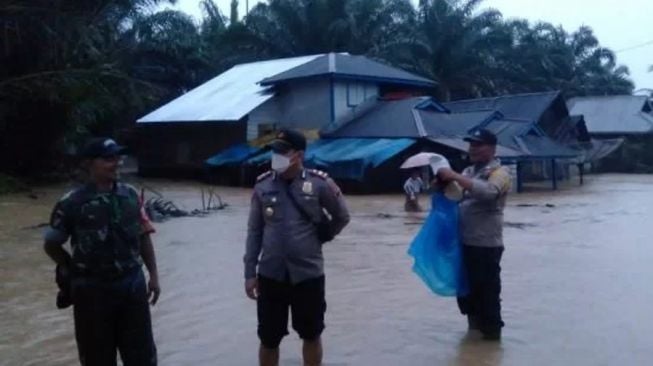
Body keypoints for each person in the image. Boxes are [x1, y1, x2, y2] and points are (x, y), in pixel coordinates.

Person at [43, 137, 160, 365]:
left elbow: (143, 236)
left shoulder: (131, 195)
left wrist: (154, 276)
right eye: (108, 159)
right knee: (97, 358)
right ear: (89, 164)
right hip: (92, 292)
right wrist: (70, 267)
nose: (116, 163)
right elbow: (51, 244)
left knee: (143, 357)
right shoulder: (71, 203)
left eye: (118, 157)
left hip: (132, 286)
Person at [244, 129, 350, 366]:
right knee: (268, 338)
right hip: (271, 274)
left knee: (311, 334)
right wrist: (250, 274)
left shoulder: (320, 183)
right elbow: (254, 232)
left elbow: (342, 216)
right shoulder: (263, 186)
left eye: (282, 151)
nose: (276, 156)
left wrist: (323, 237)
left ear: (298, 155)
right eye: (274, 151)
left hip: (308, 274)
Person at [436, 129, 511, 340]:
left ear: (492, 148)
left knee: (487, 297)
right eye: (471, 144)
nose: (473, 149)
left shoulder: (501, 172)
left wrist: (455, 176)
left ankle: (491, 344)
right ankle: (474, 341)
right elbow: (457, 196)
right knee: (468, 296)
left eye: (478, 144)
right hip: (464, 244)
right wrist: (443, 186)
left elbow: (489, 192)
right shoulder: (469, 171)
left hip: (486, 246)